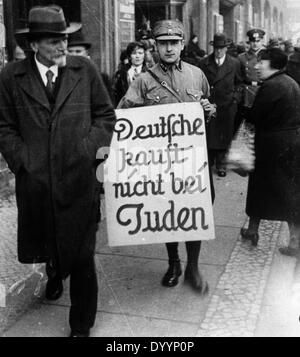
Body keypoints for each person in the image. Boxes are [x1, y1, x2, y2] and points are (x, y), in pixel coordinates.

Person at [0, 5, 116, 337]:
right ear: (34, 45)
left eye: (64, 39)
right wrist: (24, 162)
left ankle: (81, 325)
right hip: (37, 185)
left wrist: (86, 151)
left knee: (83, 255)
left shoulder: (85, 70)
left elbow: (106, 117)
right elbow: (4, 127)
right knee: (49, 241)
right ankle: (54, 273)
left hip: (80, 181)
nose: (63, 47)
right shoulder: (11, 77)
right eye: (54, 41)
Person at [118, 19, 216, 294]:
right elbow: (123, 116)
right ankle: (173, 262)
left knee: (196, 209)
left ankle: (193, 267)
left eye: (174, 43)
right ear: (155, 47)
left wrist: (209, 109)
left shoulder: (197, 74)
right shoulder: (143, 81)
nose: (169, 48)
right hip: (161, 161)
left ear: (183, 45)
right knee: (167, 213)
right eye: (163, 43)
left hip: (194, 158)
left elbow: (209, 104)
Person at [240, 48, 300, 255]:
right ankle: (294, 241)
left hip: (270, 145)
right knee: (289, 193)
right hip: (291, 144)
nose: (257, 66)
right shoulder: (291, 83)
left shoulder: (271, 87)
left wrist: (240, 107)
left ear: (271, 64)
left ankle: (252, 231)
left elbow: (255, 117)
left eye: (261, 62)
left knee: (259, 190)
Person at [199, 33, 243, 178]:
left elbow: (240, 83)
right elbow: (199, 83)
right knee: (210, 135)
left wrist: (235, 98)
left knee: (225, 136)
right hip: (210, 105)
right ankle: (209, 161)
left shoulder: (234, 63)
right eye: (217, 48)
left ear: (226, 48)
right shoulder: (204, 63)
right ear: (213, 48)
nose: (219, 51)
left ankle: (221, 164)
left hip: (227, 106)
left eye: (222, 48)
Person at [237, 29, 265, 127]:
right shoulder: (241, 58)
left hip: (264, 90)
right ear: (249, 42)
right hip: (248, 92)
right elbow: (238, 78)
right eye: (253, 41)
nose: (255, 44)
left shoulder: (267, 56)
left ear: (262, 41)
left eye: (258, 41)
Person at [113, 41, 147, 107]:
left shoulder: (149, 72)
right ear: (129, 56)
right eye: (134, 53)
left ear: (144, 55)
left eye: (140, 53)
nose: (137, 56)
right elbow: (115, 94)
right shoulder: (121, 73)